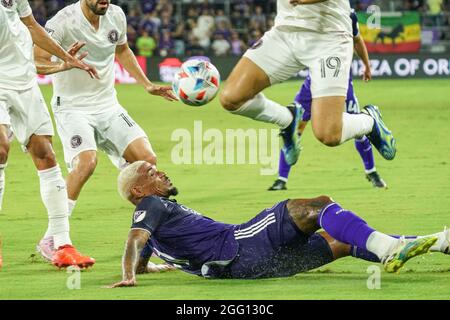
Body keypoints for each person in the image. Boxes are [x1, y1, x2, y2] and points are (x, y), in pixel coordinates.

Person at [108, 161, 449, 287]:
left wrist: (144, 269)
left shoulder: (157, 224)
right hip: (241, 245)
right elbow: (134, 239)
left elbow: (143, 244)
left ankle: (440, 241)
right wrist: (128, 275)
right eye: (151, 172)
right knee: (319, 206)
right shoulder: (151, 205)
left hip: (255, 268)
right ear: (139, 191)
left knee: (344, 242)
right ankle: (390, 247)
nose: (161, 171)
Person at [34, 0, 177, 262]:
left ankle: (152, 242)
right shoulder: (62, 22)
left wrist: (145, 84)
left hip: (108, 105)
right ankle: (53, 237)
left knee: (147, 163)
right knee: (86, 163)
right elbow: (36, 60)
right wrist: (63, 64)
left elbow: (122, 50)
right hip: (72, 107)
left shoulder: (116, 15)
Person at [219, 0, 397, 170]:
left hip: (329, 37)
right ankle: (287, 120)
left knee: (329, 134)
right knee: (231, 97)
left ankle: (370, 121)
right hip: (285, 33)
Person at [0, 1, 98, 268]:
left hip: (24, 81)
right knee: (0, 149)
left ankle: (62, 244)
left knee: (46, 156)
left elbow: (31, 26)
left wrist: (65, 56)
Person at [269, 10, 387, 191]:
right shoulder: (311, 13)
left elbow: (357, 40)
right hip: (314, 81)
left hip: (341, 83)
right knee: (294, 127)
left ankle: (371, 171)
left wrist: (366, 65)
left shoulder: (348, 15)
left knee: (359, 129)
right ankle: (281, 179)